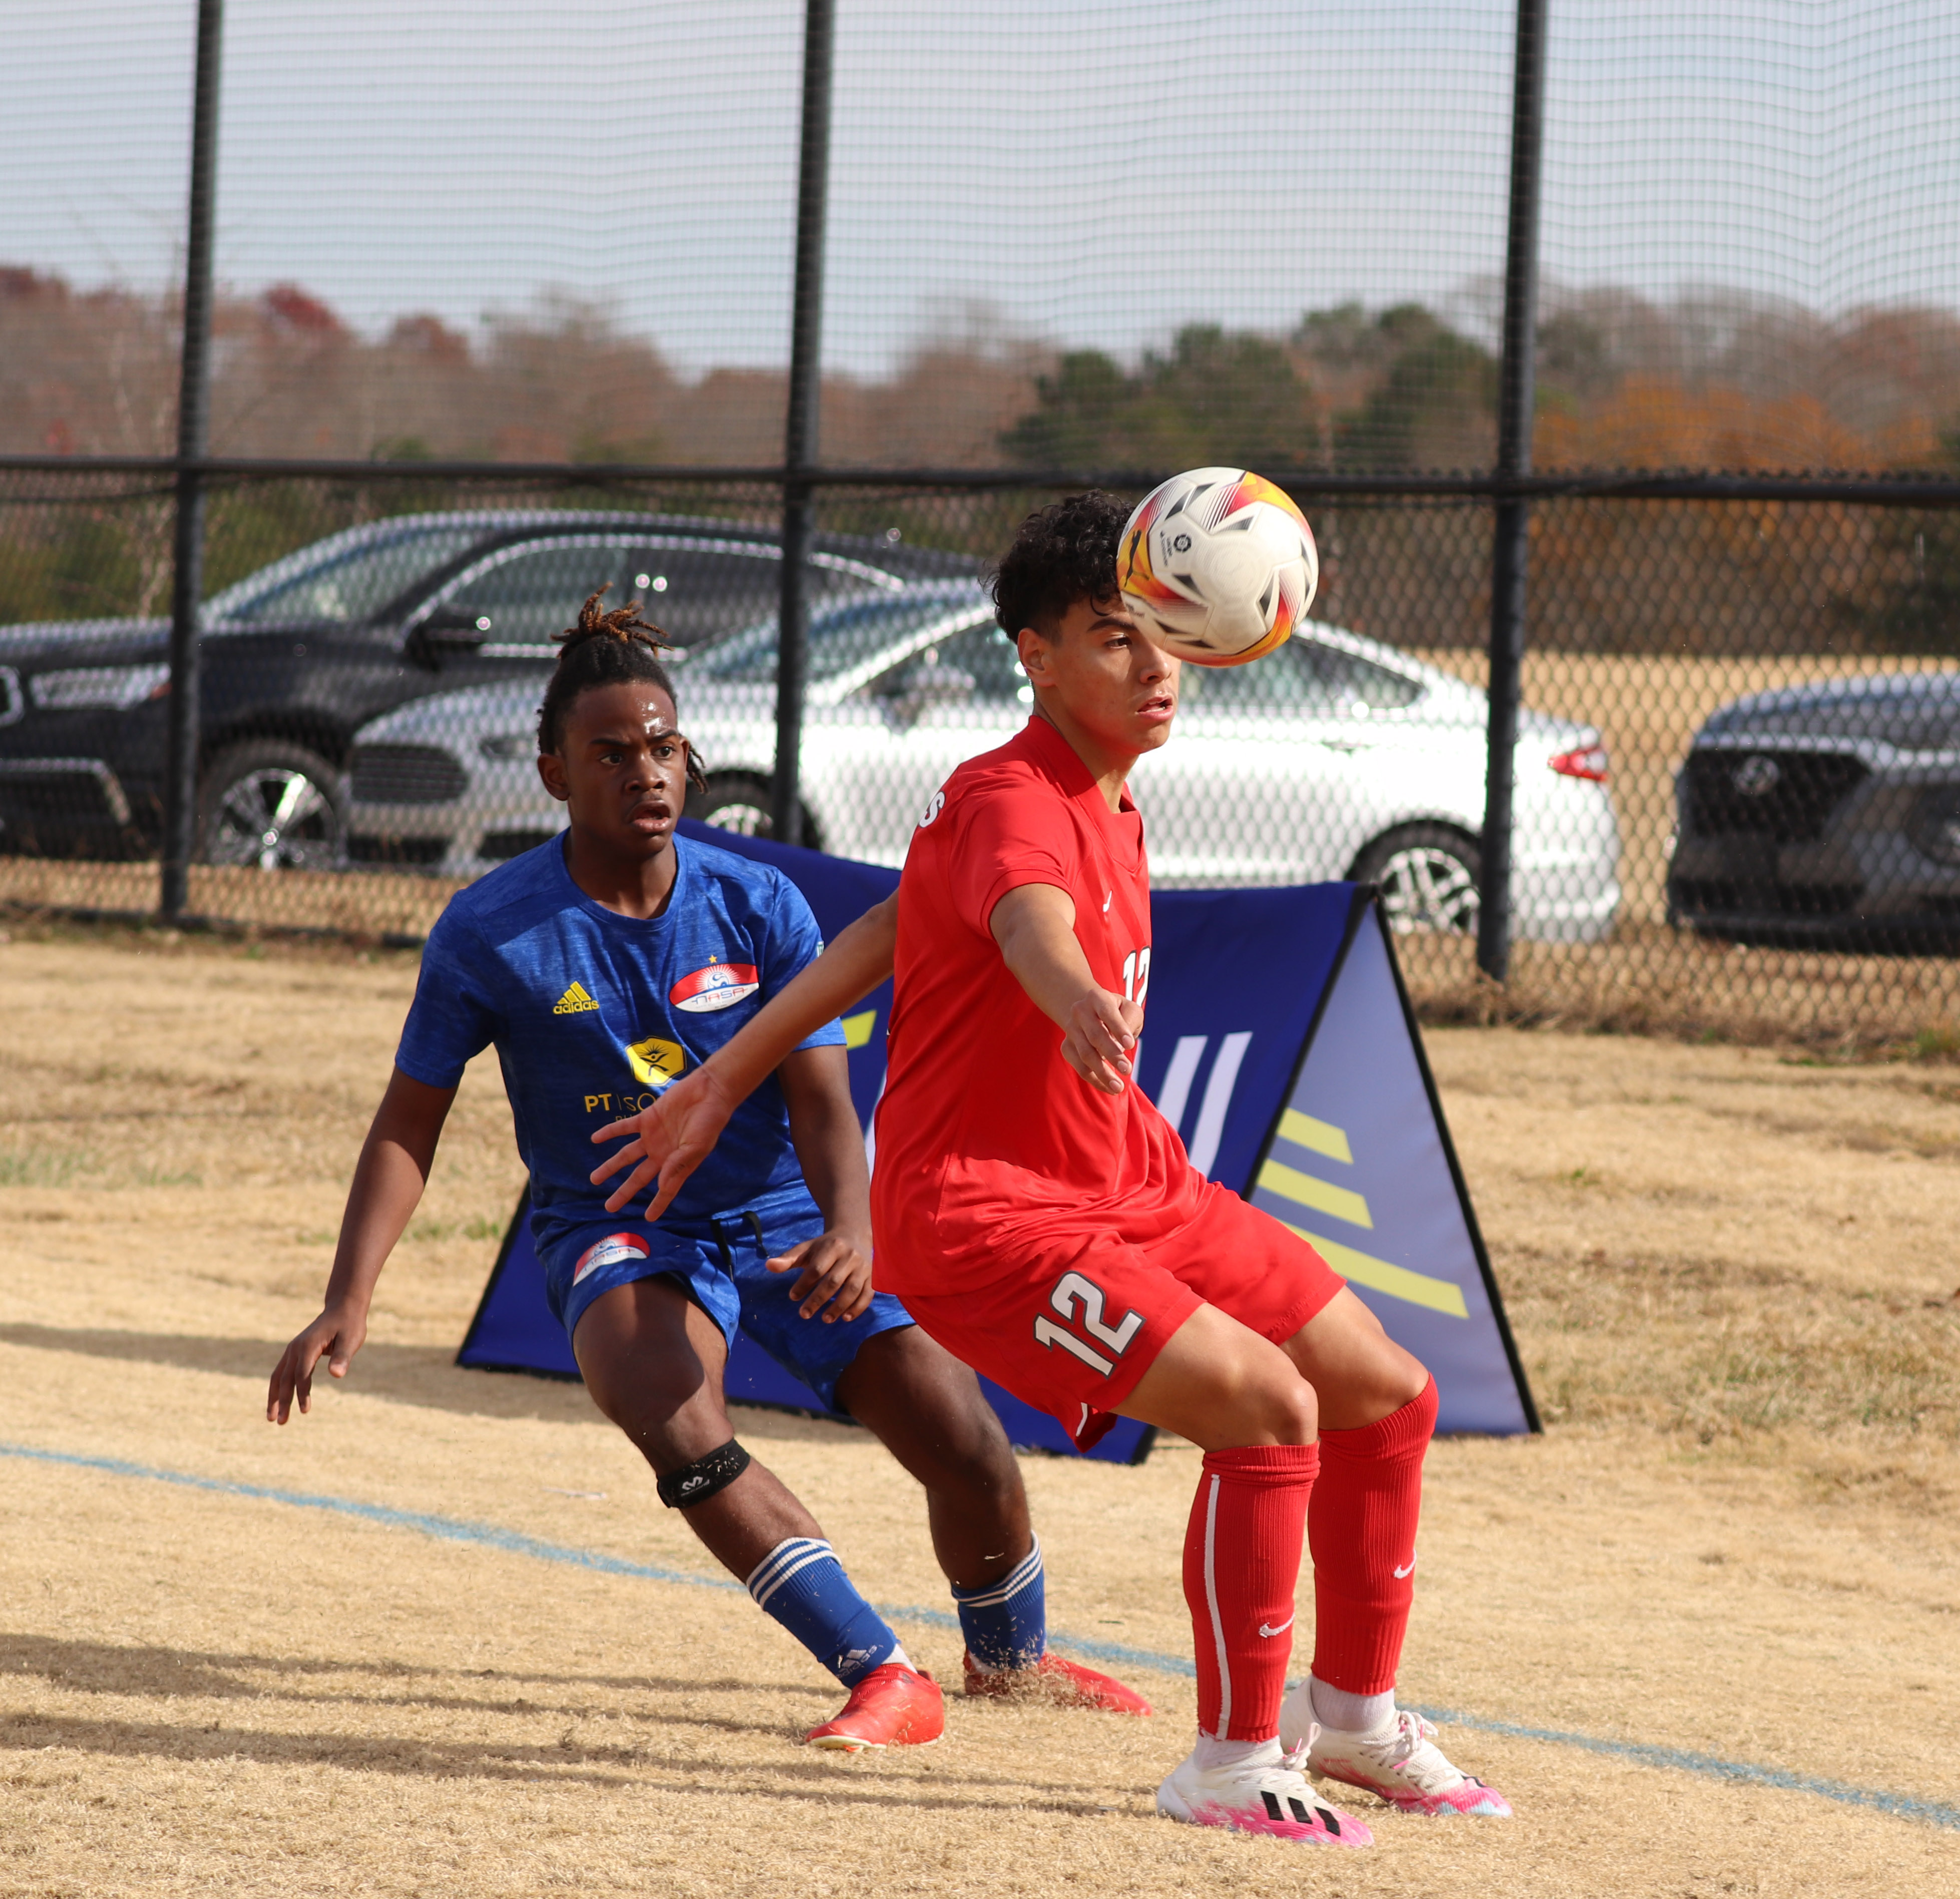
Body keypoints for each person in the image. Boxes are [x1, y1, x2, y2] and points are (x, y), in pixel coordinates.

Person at [589, 499, 1514, 1841]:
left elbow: (882, 935)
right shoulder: (1009, 797)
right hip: (984, 1220)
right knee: (1264, 1408)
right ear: (1034, 655)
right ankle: (1232, 1758)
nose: (1154, 673)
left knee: (1385, 1392)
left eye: (1163, 641)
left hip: (1137, 1184)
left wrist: (723, 1074)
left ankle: (1356, 1717)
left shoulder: (1100, 793)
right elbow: (1029, 919)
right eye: (1110, 642)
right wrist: (1071, 988)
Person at [266, 589, 1147, 1754]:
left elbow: (823, 1097)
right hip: (616, 1222)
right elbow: (406, 1123)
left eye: (666, 746)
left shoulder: (759, 901)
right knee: (668, 1408)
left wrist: (850, 1228)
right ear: (551, 774)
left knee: (964, 1438)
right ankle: (883, 1671)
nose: (648, 772)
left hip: (785, 1209)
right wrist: (350, 1294)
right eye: (612, 753)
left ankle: (1009, 1664)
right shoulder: (490, 929)